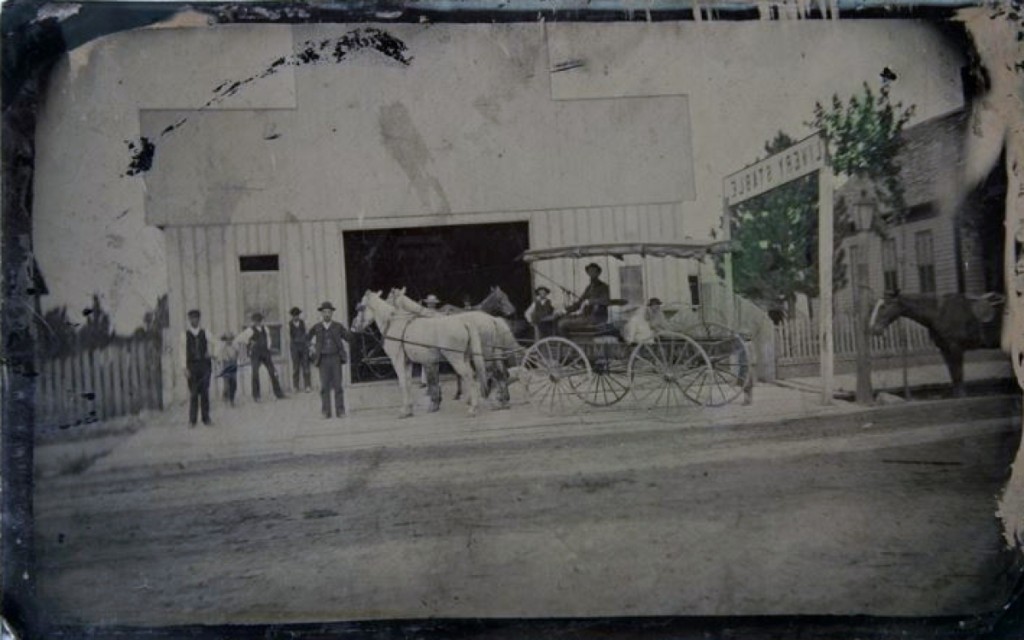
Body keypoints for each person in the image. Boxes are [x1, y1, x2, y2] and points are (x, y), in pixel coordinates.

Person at [307, 301, 354, 418]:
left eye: (329, 312)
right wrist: (311, 347)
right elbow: (306, 338)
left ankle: (340, 411)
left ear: (332, 313)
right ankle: (326, 412)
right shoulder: (317, 327)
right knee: (324, 387)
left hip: (336, 358)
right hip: (323, 360)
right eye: (324, 312)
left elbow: (349, 338)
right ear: (321, 314)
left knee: (338, 385)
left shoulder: (338, 326)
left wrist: (353, 329)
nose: (327, 314)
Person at [235, 312, 285, 401]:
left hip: (265, 353)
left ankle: (278, 393)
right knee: (255, 374)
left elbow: (269, 340)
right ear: (253, 321)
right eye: (256, 321)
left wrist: (268, 348)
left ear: (261, 321)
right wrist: (249, 343)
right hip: (255, 354)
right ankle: (256, 396)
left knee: (273, 372)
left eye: (259, 320)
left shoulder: (265, 329)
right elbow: (239, 338)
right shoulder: (249, 330)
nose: (257, 322)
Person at [179, 309, 212, 427]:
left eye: (196, 318)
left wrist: (211, 353)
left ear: (199, 319)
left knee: (205, 393)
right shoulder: (185, 335)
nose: (194, 320)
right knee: (193, 394)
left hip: (204, 366)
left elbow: (216, 343)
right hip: (192, 367)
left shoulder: (205, 332)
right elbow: (182, 352)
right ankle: (192, 421)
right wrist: (184, 368)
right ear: (189, 320)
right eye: (192, 318)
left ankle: (206, 419)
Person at [557, 262, 611, 334]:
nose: (591, 274)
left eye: (594, 271)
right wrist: (564, 310)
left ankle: (565, 343)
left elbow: (605, 301)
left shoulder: (604, 287)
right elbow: (579, 303)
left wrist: (589, 301)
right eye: (590, 271)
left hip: (597, 318)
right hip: (586, 316)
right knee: (562, 318)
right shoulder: (589, 288)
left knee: (562, 323)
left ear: (598, 273)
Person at [288, 306, 312, 393]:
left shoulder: (303, 323)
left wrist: (308, 344)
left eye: (297, 315)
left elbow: (307, 333)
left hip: (304, 346)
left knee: (306, 366)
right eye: (294, 315)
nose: (296, 317)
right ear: (292, 316)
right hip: (294, 347)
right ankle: (295, 387)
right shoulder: (289, 324)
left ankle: (307, 386)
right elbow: (289, 337)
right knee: (295, 368)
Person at [217, 331, 239, 407]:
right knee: (226, 384)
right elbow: (220, 358)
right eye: (227, 339)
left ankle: (232, 399)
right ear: (225, 340)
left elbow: (237, 355)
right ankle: (225, 396)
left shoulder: (234, 347)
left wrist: (235, 358)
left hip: (233, 366)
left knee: (234, 383)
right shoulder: (223, 348)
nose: (229, 341)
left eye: (230, 339)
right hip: (226, 366)